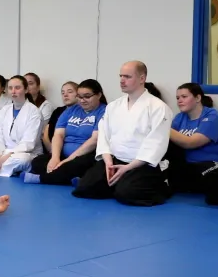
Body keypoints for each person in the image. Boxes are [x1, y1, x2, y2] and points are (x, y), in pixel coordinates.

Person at [72, 61, 173, 206]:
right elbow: (104, 134)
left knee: (125, 194)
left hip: (141, 164)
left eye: (127, 76)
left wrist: (128, 168)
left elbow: (156, 143)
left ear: (142, 78)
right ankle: (120, 183)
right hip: (114, 160)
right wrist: (108, 162)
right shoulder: (114, 106)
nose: (122, 80)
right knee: (84, 189)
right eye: (120, 76)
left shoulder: (158, 107)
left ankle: (161, 185)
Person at [23, 79, 107, 185]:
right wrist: (55, 158)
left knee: (76, 165)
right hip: (64, 154)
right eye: (80, 97)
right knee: (38, 162)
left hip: (85, 156)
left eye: (87, 96)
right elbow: (58, 135)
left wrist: (67, 161)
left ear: (99, 95)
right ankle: (75, 179)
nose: (82, 100)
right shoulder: (71, 110)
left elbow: (94, 140)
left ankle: (42, 179)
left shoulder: (104, 111)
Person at [165, 83, 218, 205]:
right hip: (190, 167)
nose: (179, 101)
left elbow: (192, 142)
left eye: (184, 96)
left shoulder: (213, 116)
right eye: (177, 98)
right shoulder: (180, 118)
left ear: (198, 98)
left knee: (214, 189)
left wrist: (162, 125)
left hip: (215, 166)